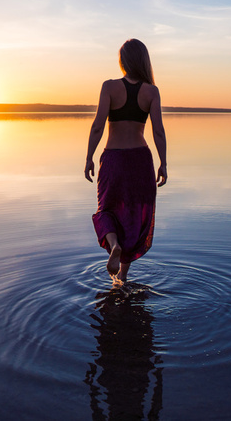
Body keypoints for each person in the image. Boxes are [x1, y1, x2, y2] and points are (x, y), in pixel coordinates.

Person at [85, 38, 167, 284]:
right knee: (133, 216)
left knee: (106, 209)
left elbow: (98, 125)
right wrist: (163, 163)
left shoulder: (109, 87)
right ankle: (122, 276)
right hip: (141, 161)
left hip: (114, 159)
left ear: (123, 61)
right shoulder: (151, 91)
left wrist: (89, 156)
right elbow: (159, 131)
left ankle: (113, 246)